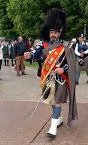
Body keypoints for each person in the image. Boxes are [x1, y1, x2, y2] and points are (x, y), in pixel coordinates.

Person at [24, 8, 77, 139]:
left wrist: (63, 69)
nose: (53, 34)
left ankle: (53, 128)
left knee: (57, 102)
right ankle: (58, 119)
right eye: (51, 32)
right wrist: (29, 55)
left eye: (56, 32)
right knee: (51, 101)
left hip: (60, 79)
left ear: (60, 33)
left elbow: (71, 63)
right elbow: (36, 54)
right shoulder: (43, 44)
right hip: (47, 78)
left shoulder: (66, 46)